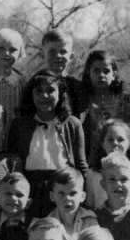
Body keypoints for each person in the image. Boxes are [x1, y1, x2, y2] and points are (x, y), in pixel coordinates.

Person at [7, 70, 88, 217]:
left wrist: (83, 197)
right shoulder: (19, 125)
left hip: (63, 191)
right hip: (29, 191)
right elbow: (13, 162)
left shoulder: (72, 124)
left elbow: (81, 165)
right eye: (39, 91)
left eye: (50, 90)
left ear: (61, 93)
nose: (44, 96)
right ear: (31, 94)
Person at [84, 119, 130, 210]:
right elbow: (90, 207)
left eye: (120, 139)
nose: (115, 143)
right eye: (110, 140)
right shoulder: (92, 175)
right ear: (102, 143)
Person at [46, 167, 97, 240]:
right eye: (61, 193)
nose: (67, 198)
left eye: (73, 193)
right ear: (52, 196)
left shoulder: (90, 220)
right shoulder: (48, 225)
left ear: (82, 196)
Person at [79, 50, 126, 161]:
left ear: (114, 74)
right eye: (96, 71)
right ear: (88, 73)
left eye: (106, 71)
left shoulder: (124, 101)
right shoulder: (82, 101)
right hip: (89, 159)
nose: (101, 75)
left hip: (118, 158)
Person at [39, 29, 84, 115]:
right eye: (52, 52)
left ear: (71, 56)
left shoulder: (77, 87)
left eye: (63, 52)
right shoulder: (35, 84)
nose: (58, 55)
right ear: (42, 55)